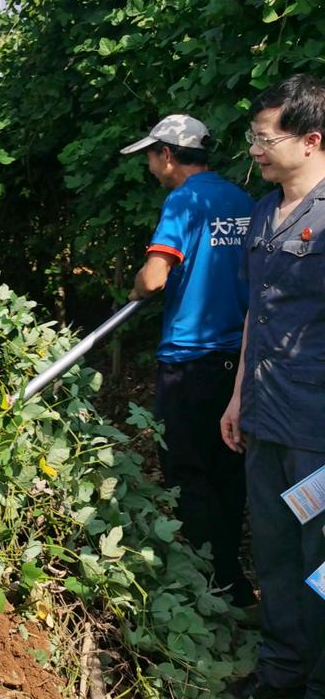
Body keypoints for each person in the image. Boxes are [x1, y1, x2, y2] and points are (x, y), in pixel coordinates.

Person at [120, 114, 255, 606]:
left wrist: (136, 288)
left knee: (187, 472)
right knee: (227, 472)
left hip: (189, 359)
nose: (150, 167)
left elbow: (155, 277)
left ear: (168, 155)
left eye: (151, 157)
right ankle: (232, 578)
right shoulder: (243, 201)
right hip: (237, 361)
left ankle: (205, 583)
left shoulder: (183, 200)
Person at [222, 74, 325, 699]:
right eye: (254, 138)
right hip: (265, 417)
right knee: (276, 551)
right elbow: (255, 315)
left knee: (322, 560)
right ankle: (279, 674)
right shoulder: (263, 212)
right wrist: (238, 397)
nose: (256, 150)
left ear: (311, 140)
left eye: (267, 138)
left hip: (316, 431)